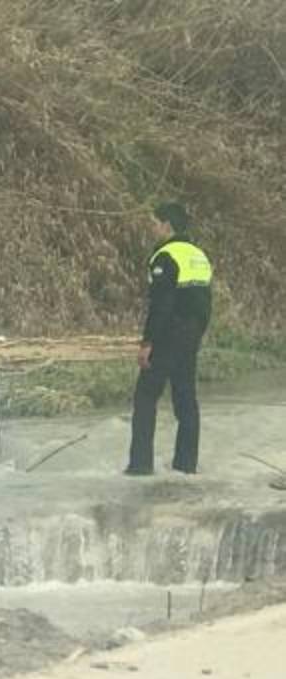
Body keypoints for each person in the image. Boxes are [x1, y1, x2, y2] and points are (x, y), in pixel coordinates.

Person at [126, 202, 213, 476]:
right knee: (186, 399)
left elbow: (161, 304)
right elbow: (205, 304)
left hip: (167, 335)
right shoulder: (199, 256)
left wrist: (147, 343)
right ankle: (186, 466)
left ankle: (140, 466)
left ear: (167, 225)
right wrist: (197, 335)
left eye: (155, 223)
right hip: (192, 335)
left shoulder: (165, 257)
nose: (152, 228)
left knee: (145, 396)